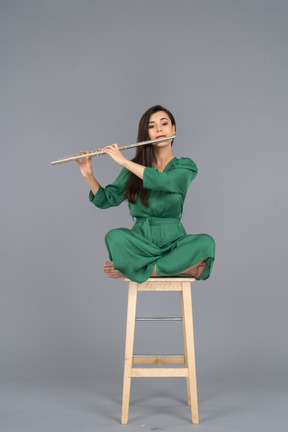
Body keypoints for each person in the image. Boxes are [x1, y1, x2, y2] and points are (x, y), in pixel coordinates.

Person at [77, 105, 215, 284]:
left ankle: (135, 269)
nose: (159, 129)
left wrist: (124, 162)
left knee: (206, 242)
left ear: (173, 129)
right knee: (114, 237)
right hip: (141, 243)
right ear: (146, 133)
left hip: (174, 243)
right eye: (152, 126)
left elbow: (166, 181)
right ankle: (180, 269)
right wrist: (89, 176)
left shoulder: (186, 166)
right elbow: (106, 199)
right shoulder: (135, 165)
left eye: (164, 123)